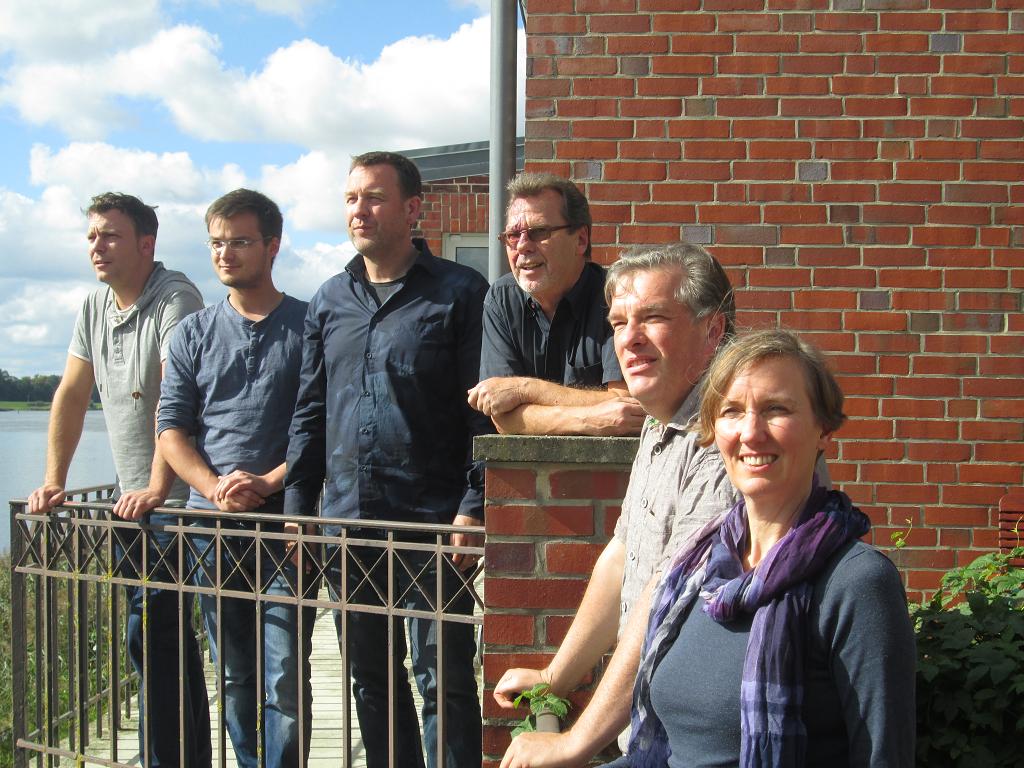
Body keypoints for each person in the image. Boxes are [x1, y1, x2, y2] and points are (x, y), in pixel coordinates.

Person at [604, 329, 916, 767]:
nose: (751, 432)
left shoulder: (856, 584)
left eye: (776, 409)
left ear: (823, 429)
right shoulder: (696, 571)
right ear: (714, 430)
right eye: (732, 411)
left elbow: (884, 757)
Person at [284, 151, 492, 768]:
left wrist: (473, 505)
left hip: (432, 525)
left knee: (443, 678)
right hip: (349, 525)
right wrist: (299, 507)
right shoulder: (329, 299)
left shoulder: (460, 292)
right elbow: (309, 411)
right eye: (351, 199)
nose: (360, 211)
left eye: (374, 197)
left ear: (412, 208)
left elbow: (482, 413)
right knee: (370, 679)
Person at [495, 243, 738, 764]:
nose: (629, 339)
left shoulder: (728, 437)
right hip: (654, 735)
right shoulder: (661, 420)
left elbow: (666, 598)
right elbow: (622, 557)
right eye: (619, 322)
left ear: (712, 331)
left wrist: (573, 743)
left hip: (697, 751)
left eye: (653, 318)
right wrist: (555, 677)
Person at [27, 192, 210, 767]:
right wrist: (53, 480)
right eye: (91, 237)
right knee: (156, 642)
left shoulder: (175, 299)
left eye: (109, 235)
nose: (96, 247)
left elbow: (176, 399)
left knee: (157, 637)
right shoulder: (94, 307)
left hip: (181, 506)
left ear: (146, 243)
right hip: (137, 505)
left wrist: (157, 489)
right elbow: (72, 393)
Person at [157, 189, 315, 767]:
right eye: (216, 243)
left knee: (285, 677)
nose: (225, 253)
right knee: (234, 674)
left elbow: (321, 429)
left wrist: (270, 482)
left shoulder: (309, 325)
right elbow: (171, 430)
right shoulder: (192, 333)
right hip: (213, 530)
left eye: (240, 241)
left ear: (272, 246)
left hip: (286, 528)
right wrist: (213, 488)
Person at [468, 172, 645, 436]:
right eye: (513, 235)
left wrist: (526, 390)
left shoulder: (617, 297)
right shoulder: (502, 299)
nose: (523, 246)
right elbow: (503, 418)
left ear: (581, 240)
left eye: (539, 232)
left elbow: (628, 407)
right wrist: (591, 419)